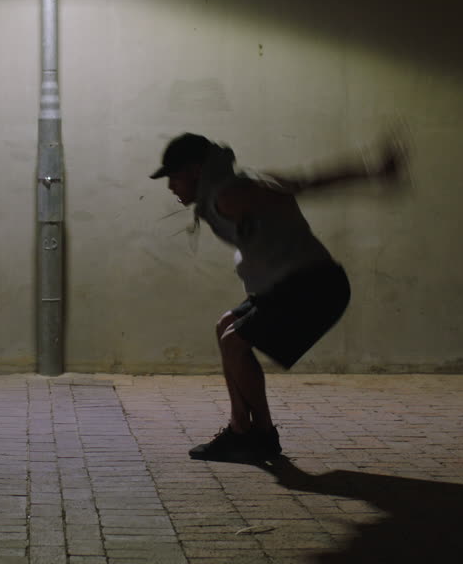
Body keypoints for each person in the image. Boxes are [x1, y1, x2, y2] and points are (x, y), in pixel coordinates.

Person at [150, 132, 403, 462]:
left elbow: (305, 182)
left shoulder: (233, 193)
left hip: (314, 286)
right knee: (226, 326)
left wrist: (373, 172)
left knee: (234, 342)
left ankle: (261, 435)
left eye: (174, 176)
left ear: (196, 171)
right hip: (289, 286)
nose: (171, 186)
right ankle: (242, 430)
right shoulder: (226, 190)